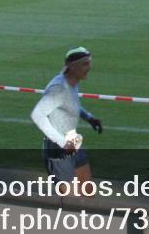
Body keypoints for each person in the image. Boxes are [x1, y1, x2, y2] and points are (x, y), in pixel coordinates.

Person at [30, 46, 103, 187]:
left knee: (88, 189)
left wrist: (89, 118)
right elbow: (37, 115)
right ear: (72, 66)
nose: (89, 68)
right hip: (57, 148)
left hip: (72, 140)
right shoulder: (58, 88)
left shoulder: (72, 82)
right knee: (71, 197)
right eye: (85, 64)